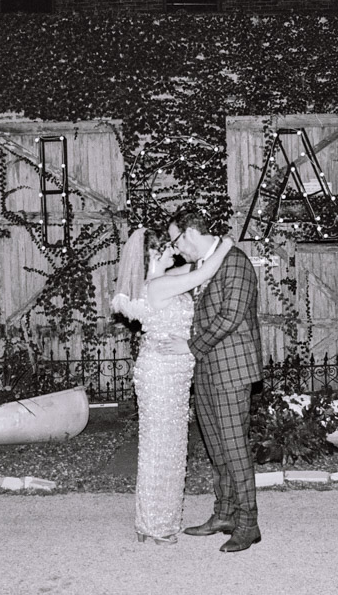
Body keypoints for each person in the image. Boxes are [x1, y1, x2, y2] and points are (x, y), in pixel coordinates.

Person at [111, 226, 234, 546]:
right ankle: (156, 524)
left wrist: (206, 248)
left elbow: (198, 265)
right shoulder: (158, 285)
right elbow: (206, 269)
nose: (175, 251)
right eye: (167, 247)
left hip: (173, 373)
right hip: (162, 374)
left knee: (166, 447)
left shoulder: (165, 278)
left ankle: (149, 522)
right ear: (152, 253)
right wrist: (227, 243)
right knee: (162, 449)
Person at [165, 209, 263, 553]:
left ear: (190, 233)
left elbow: (231, 316)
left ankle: (249, 524)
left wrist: (191, 346)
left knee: (235, 450)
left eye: (176, 241)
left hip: (232, 370)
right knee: (217, 449)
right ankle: (224, 514)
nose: (177, 250)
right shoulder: (205, 265)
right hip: (207, 369)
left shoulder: (235, 262)